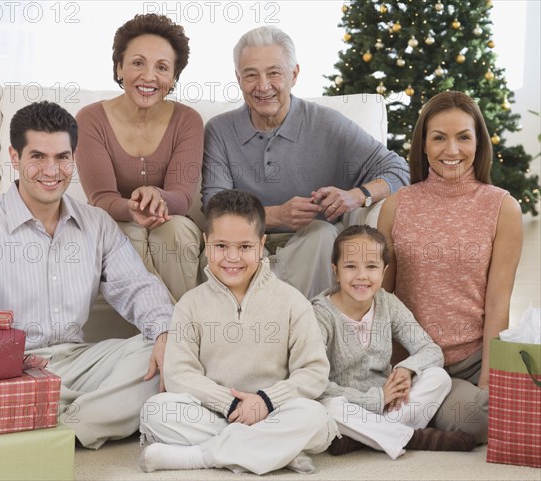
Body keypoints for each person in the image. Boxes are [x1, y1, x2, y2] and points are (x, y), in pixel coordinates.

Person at [0, 101, 174, 450]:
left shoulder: (96, 224)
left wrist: (165, 333)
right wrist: (8, 359)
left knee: (158, 353)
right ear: (14, 157)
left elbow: (139, 288)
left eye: (62, 157)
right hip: (11, 370)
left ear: (74, 157)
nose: (51, 170)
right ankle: (80, 417)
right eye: (38, 156)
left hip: (78, 359)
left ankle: (52, 425)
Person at [201, 26, 409, 299]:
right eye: (251, 75)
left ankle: (310, 332)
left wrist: (357, 196)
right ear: (238, 79)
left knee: (323, 233)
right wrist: (276, 215)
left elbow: (399, 169)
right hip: (245, 242)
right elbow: (214, 208)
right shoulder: (220, 130)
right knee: (224, 243)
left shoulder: (327, 124)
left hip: (310, 243)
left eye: (274, 73)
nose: (263, 86)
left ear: (294, 75)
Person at [138, 189, 336, 475]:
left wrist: (265, 402)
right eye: (221, 246)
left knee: (317, 419)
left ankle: (199, 457)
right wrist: (229, 403)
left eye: (245, 247)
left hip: (274, 412)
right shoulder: (190, 305)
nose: (232, 257)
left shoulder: (293, 302)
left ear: (262, 244)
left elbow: (314, 372)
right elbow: (180, 374)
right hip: (215, 413)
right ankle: (278, 452)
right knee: (156, 411)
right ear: (206, 244)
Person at [377, 91, 523, 444]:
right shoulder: (396, 206)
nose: (452, 150)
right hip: (412, 361)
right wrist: (381, 372)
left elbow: (497, 303)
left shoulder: (503, 208)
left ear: (479, 142)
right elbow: (379, 299)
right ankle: (411, 419)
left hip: (471, 361)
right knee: (477, 422)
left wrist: (488, 381)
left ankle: (404, 425)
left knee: (484, 417)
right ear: (423, 144)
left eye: (463, 137)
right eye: (439, 137)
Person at [313, 225, 476, 459]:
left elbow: (430, 350)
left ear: (384, 271)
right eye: (350, 266)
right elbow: (314, 382)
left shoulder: (388, 304)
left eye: (371, 267)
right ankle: (414, 437)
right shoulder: (320, 315)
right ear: (336, 271)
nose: (362, 276)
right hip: (346, 404)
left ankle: (364, 438)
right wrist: (375, 399)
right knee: (326, 406)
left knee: (438, 377)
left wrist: (407, 369)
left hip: (389, 406)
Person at [76, 14, 204, 302]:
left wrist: (155, 196)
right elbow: (101, 199)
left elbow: (181, 199)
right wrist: (133, 207)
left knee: (176, 231)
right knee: (128, 235)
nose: (149, 76)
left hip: (171, 219)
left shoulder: (187, 121)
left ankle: (172, 332)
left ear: (172, 78)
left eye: (161, 67)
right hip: (114, 220)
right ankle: (177, 330)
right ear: (119, 68)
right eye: (137, 63)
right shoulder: (90, 120)